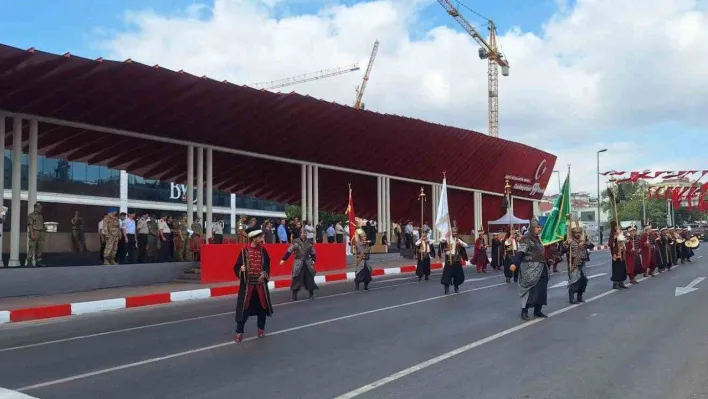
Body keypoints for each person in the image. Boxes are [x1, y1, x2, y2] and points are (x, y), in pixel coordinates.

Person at [233, 226, 274, 342]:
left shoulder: (263, 250)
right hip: (247, 287)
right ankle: (239, 332)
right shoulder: (244, 251)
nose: (262, 238)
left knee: (262, 308)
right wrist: (241, 269)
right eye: (259, 237)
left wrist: (264, 274)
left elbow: (267, 265)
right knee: (244, 310)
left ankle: (261, 329)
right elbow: (236, 266)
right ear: (253, 238)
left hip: (260, 286)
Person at [510, 218, 549, 320]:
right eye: (537, 227)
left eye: (540, 227)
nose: (539, 229)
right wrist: (515, 263)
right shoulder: (526, 238)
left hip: (541, 268)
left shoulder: (537, 238)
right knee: (530, 290)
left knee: (541, 290)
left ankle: (537, 311)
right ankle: (524, 311)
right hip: (530, 269)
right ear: (532, 227)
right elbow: (521, 252)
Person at [281, 229, 318, 301]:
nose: (304, 234)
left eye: (305, 233)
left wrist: (313, 260)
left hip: (307, 263)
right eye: (302, 233)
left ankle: (311, 293)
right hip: (298, 263)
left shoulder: (310, 242)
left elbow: (313, 252)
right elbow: (289, 251)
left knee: (309, 278)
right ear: (300, 234)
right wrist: (283, 259)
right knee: (296, 278)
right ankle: (294, 295)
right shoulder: (296, 242)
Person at [439, 228, 468, 294]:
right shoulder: (447, 239)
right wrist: (446, 236)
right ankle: (446, 288)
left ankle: (456, 287)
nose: (454, 233)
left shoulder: (458, 240)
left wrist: (460, 244)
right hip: (449, 260)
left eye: (455, 232)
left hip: (456, 260)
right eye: (453, 232)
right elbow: (441, 240)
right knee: (447, 275)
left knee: (457, 275)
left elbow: (466, 245)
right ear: (451, 232)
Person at [565, 222, 588, 304]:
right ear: (573, 233)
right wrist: (568, 244)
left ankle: (579, 296)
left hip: (582, 262)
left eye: (579, 233)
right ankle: (571, 298)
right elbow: (562, 250)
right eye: (576, 233)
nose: (578, 234)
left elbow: (590, 245)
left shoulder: (583, 240)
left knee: (583, 280)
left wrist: (585, 243)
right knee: (574, 280)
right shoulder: (569, 241)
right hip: (573, 263)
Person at [609, 221, 628, 289]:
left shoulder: (620, 233)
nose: (618, 227)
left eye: (618, 226)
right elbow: (610, 244)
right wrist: (615, 238)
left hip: (622, 253)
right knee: (617, 269)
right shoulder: (612, 234)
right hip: (616, 254)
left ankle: (621, 282)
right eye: (617, 226)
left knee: (622, 268)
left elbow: (623, 242)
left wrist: (623, 240)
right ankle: (615, 283)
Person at [27, 202, 46, 267]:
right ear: (35, 208)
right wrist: (32, 234)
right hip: (35, 232)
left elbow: (42, 224)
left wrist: (44, 232)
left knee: (40, 247)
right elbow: (30, 225)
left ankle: (38, 261)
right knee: (32, 246)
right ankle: (29, 261)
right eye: (39, 208)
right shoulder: (31, 215)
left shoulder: (40, 216)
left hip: (41, 232)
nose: (40, 209)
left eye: (41, 208)